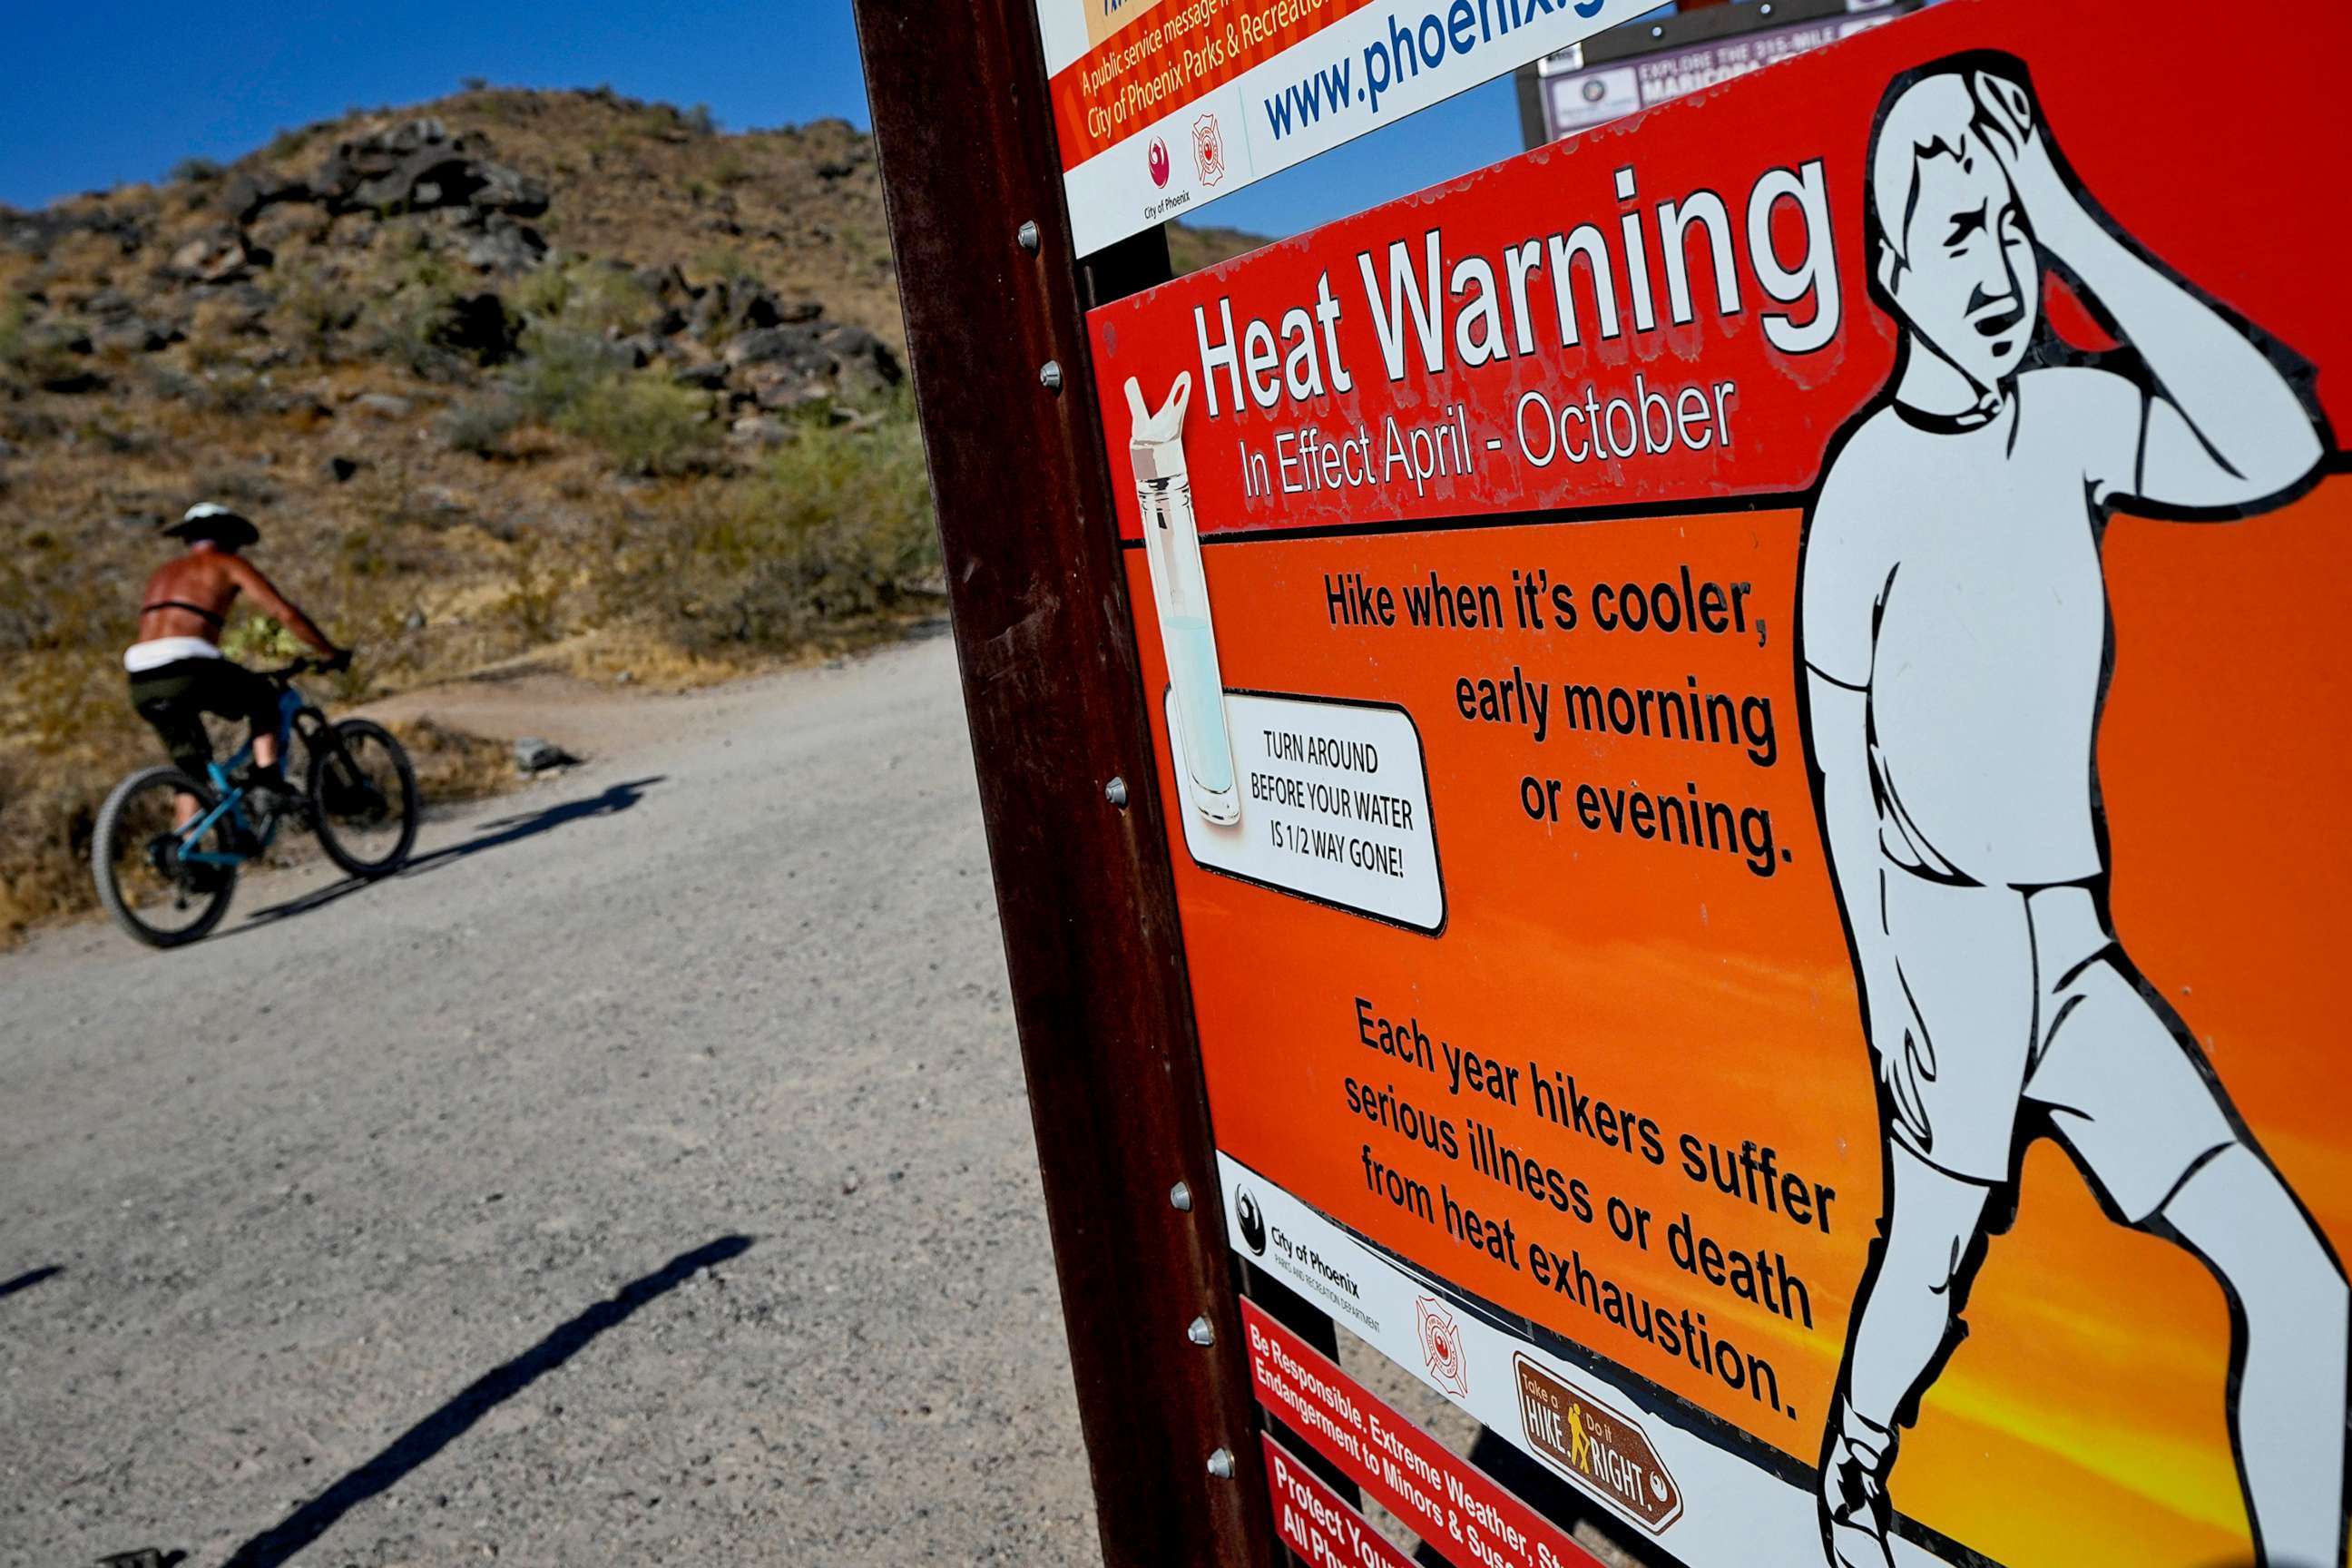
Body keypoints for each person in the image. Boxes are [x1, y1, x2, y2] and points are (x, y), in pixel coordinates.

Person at [1797, 54, 2345, 1568]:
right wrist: (1889, 996)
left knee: (2302, 1291)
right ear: (1892, 270)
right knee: (1927, 1256)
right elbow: (1842, 768)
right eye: (1955, 233)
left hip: (2071, 949)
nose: (1996, 270)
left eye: (2006, 226)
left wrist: (2073, 221)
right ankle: (1849, 1492)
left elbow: (2275, 442)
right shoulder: (1861, 493)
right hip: (1950, 956)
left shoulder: (2069, 423)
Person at [126, 504, 347, 834]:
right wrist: (329, 651)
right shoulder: (228, 563)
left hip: (141, 676)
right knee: (263, 695)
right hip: (187, 666)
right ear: (228, 536)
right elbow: (285, 614)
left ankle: (187, 852)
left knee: (192, 769)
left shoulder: (164, 572)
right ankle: (269, 782)